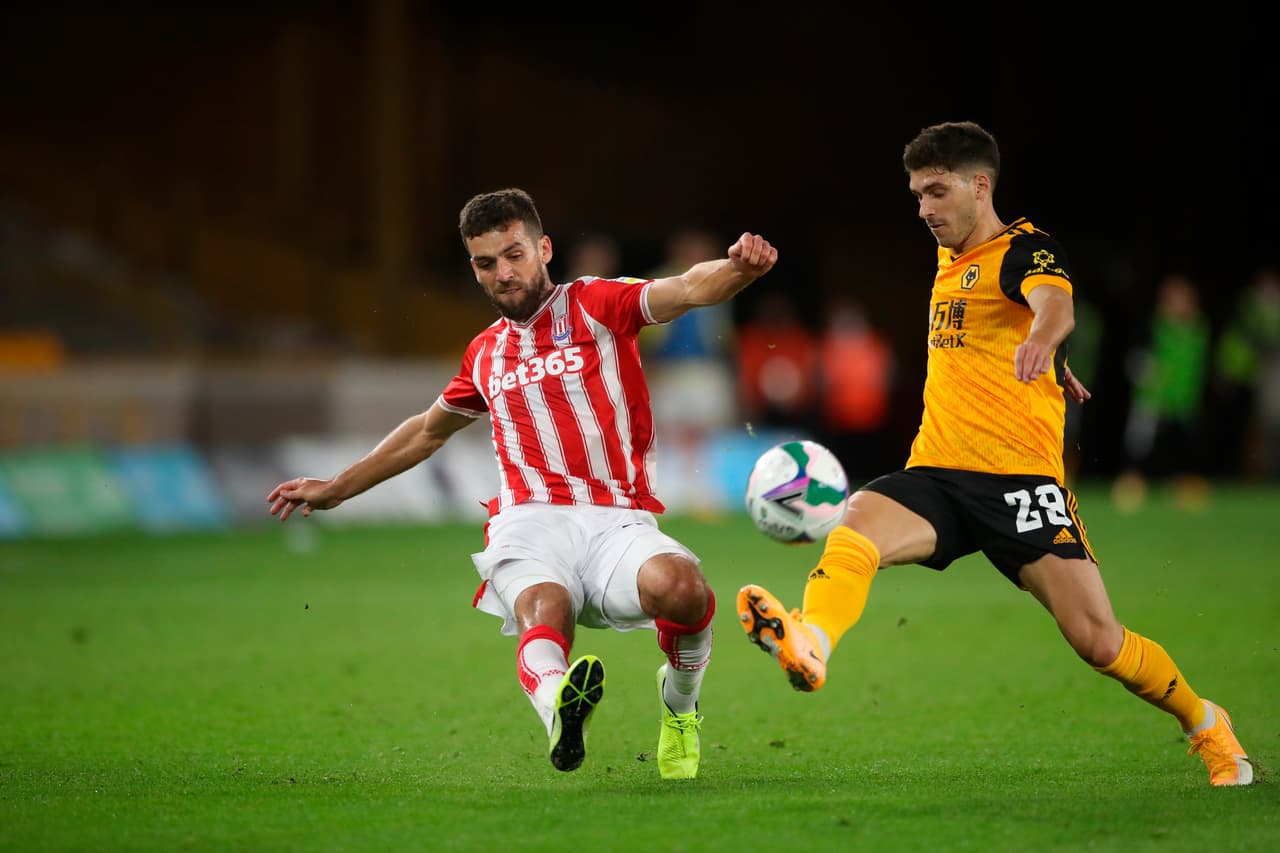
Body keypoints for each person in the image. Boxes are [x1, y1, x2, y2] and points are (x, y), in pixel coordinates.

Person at [735, 121, 1253, 787]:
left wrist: (1045, 341)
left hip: (1020, 484)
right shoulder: (951, 256)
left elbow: (1054, 304)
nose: (924, 209)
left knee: (1099, 640)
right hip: (940, 471)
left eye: (937, 192)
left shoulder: (1024, 248)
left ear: (981, 187)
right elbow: (990, 324)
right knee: (854, 523)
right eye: (917, 195)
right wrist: (1049, 357)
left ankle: (1206, 721)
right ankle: (811, 641)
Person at [267, 188, 777, 780]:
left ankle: (680, 707)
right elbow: (426, 432)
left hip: (616, 519)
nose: (504, 274)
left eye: (514, 255)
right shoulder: (484, 354)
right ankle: (560, 711)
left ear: (544, 249)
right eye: (487, 264)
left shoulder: (597, 305)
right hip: (529, 521)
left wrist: (739, 271)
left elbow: (688, 288)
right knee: (546, 606)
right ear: (474, 268)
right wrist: (338, 487)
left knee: (684, 589)